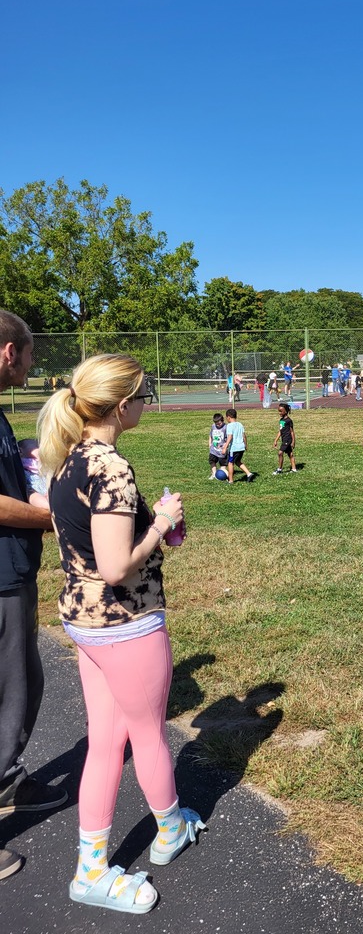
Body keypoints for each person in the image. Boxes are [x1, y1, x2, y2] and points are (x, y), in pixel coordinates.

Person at [37, 353, 205, 914]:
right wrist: (159, 522)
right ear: (122, 403)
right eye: (145, 394)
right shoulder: (110, 466)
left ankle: (93, 863)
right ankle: (168, 831)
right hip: (126, 623)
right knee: (147, 734)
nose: (147, 403)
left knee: (106, 743)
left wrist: (149, 524)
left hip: (85, 623)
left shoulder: (65, 459)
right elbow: (115, 566)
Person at [0, 312, 64, 884]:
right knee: (12, 687)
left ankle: (5, 783)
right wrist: (47, 517)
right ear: (6, 353)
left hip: (10, 572)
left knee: (23, 682)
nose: (31, 364)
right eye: (28, 354)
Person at [223, 408, 255, 483]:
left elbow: (230, 436)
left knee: (230, 463)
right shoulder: (240, 424)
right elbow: (244, 436)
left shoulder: (229, 426)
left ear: (228, 417)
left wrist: (225, 447)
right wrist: (245, 445)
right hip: (241, 447)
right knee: (237, 461)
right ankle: (249, 473)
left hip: (234, 448)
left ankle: (230, 480)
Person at [272, 403, 297, 475]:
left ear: (285, 411)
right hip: (284, 439)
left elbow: (292, 431)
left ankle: (279, 469)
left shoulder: (289, 421)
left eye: (281, 411)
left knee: (280, 453)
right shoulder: (281, 420)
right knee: (290, 454)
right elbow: (280, 431)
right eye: (279, 411)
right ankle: (294, 469)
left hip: (287, 439)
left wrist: (293, 441)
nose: (279, 412)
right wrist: (276, 440)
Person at [207, 413, 228, 478]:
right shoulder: (213, 426)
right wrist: (210, 444)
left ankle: (223, 475)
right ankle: (214, 473)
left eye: (219, 423)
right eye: (217, 424)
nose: (218, 425)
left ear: (223, 420)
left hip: (222, 450)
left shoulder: (226, 427)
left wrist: (226, 445)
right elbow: (210, 435)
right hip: (213, 449)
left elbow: (228, 438)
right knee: (212, 461)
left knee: (223, 463)